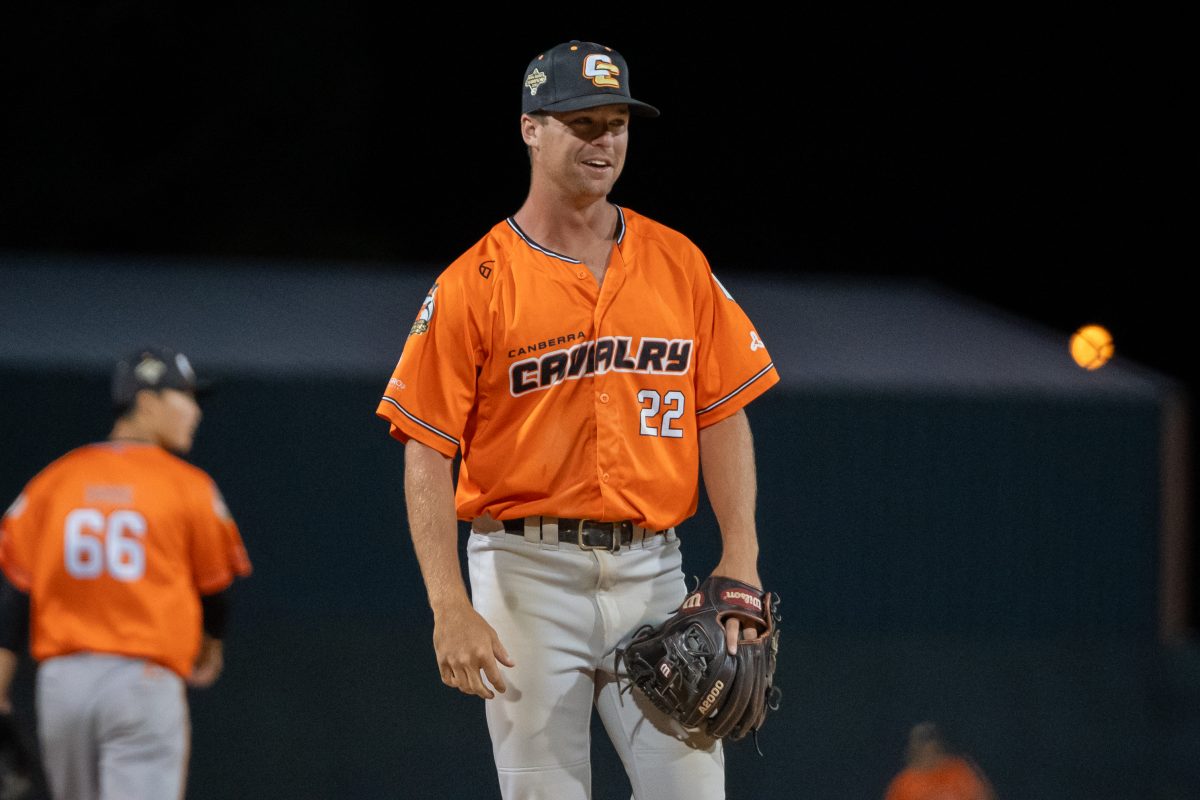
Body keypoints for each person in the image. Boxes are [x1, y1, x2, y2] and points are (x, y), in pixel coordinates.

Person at [376, 40, 778, 799]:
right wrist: (448, 607)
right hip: (526, 575)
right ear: (531, 127)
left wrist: (742, 557)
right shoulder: (476, 282)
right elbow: (425, 448)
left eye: (617, 123)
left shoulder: (677, 261)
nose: (605, 141)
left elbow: (723, 410)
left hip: (654, 573)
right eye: (582, 122)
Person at [0, 346, 252, 800]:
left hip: (61, 687)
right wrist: (211, 647)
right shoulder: (188, 486)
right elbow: (216, 591)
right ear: (148, 401)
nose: (194, 412)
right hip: (141, 684)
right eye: (186, 397)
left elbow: (13, 595)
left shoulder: (52, 482)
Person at [884, 722, 995, 800]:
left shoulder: (959, 770)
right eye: (921, 743)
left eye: (930, 742)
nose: (926, 749)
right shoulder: (902, 785)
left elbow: (982, 796)